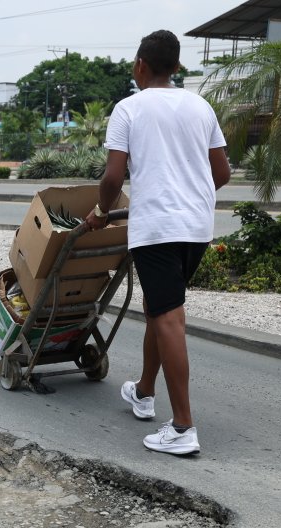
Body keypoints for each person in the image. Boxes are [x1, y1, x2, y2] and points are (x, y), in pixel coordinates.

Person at [83, 30, 230, 456]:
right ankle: (143, 392)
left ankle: (183, 428)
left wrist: (100, 211)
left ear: (140, 66)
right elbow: (221, 173)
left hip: (156, 229)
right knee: (158, 308)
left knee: (169, 318)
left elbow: (113, 177)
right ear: (178, 67)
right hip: (197, 228)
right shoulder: (201, 106)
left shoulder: (128, 108)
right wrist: (190, 193)